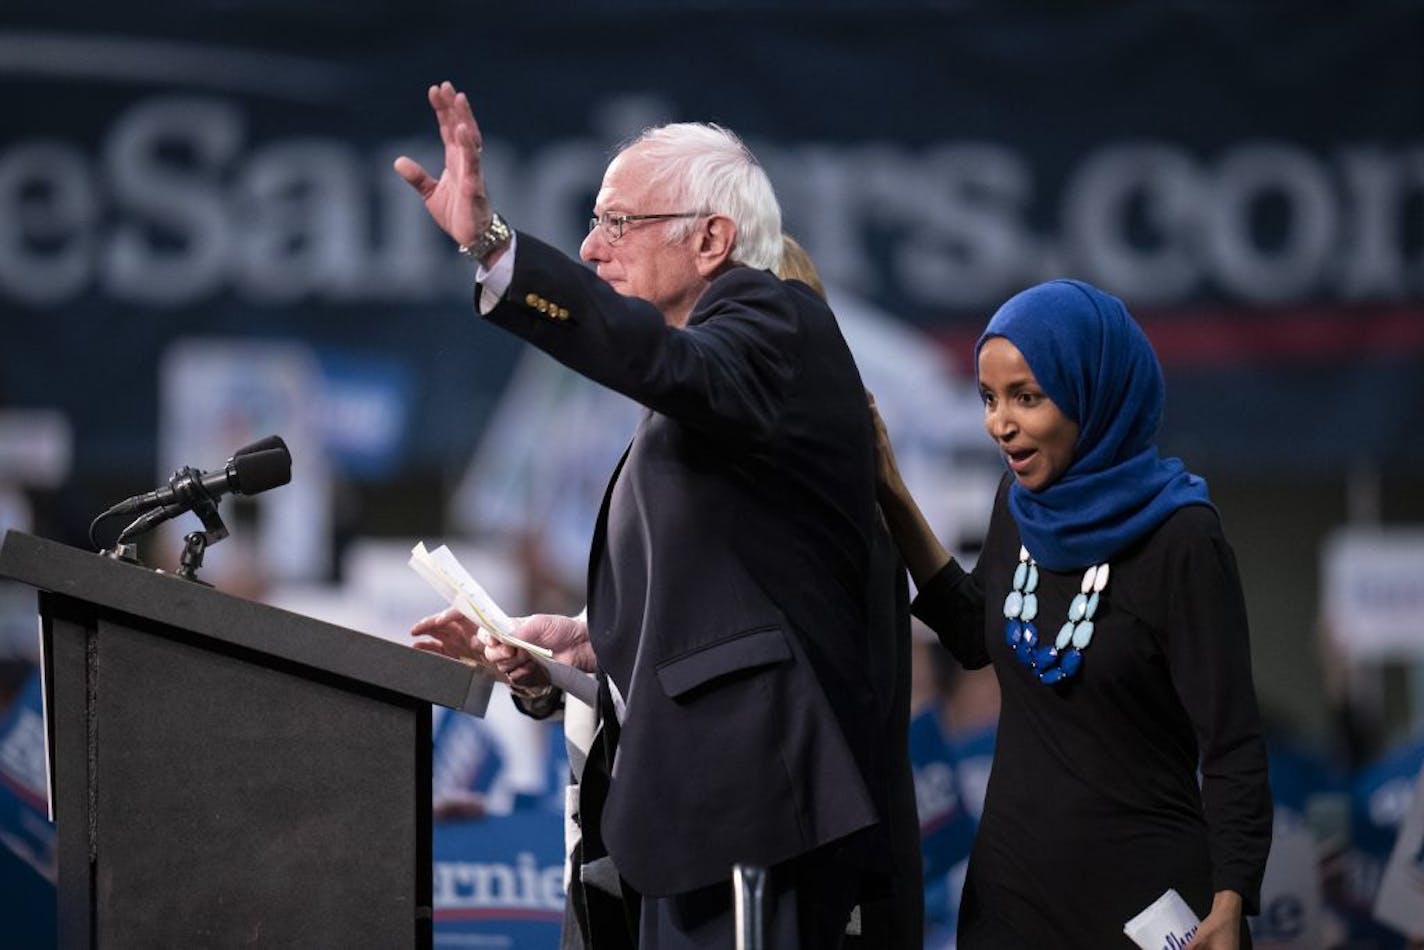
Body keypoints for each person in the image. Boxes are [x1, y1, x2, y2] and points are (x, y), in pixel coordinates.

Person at [397, 82, 895, 949]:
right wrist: (582, 647)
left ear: (711, 239)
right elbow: (725, 597)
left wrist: (493, 243)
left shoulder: (772, 318)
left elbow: (655, 360)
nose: (591, 248)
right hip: (689, 823)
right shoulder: (708, 389)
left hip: (754, 820)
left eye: (616, 223)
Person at [872, 278, 1273, 948]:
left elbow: (1232, 744)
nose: (1001, 422)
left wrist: (1232, 901)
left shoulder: (1183, 539)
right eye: (989, 399)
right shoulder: (1019, 507)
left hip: (1143, 905)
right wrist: (893, 494)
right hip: (1010, 898)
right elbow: (977, 635)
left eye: (1027, 397)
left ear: (1094, 391)